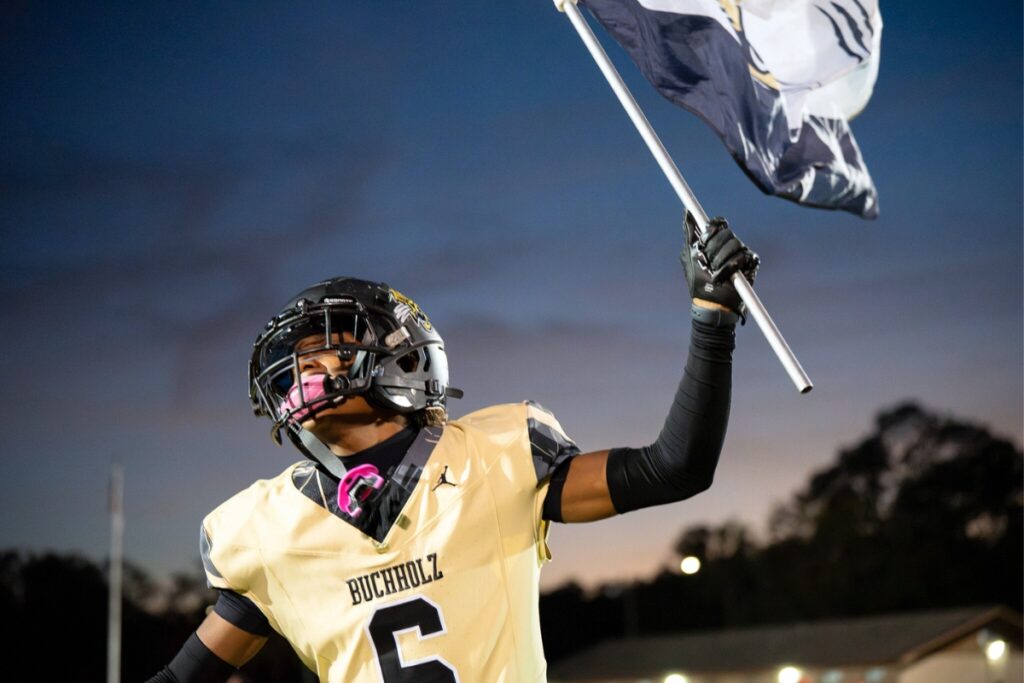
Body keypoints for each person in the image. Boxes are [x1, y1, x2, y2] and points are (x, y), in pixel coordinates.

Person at [146, 214, 759, 682]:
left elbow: (673, 467)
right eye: (296, 361)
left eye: (326, 347)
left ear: (404, 358)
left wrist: (711, 319)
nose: (305, 369)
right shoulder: (265, 530)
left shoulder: (494, 454)